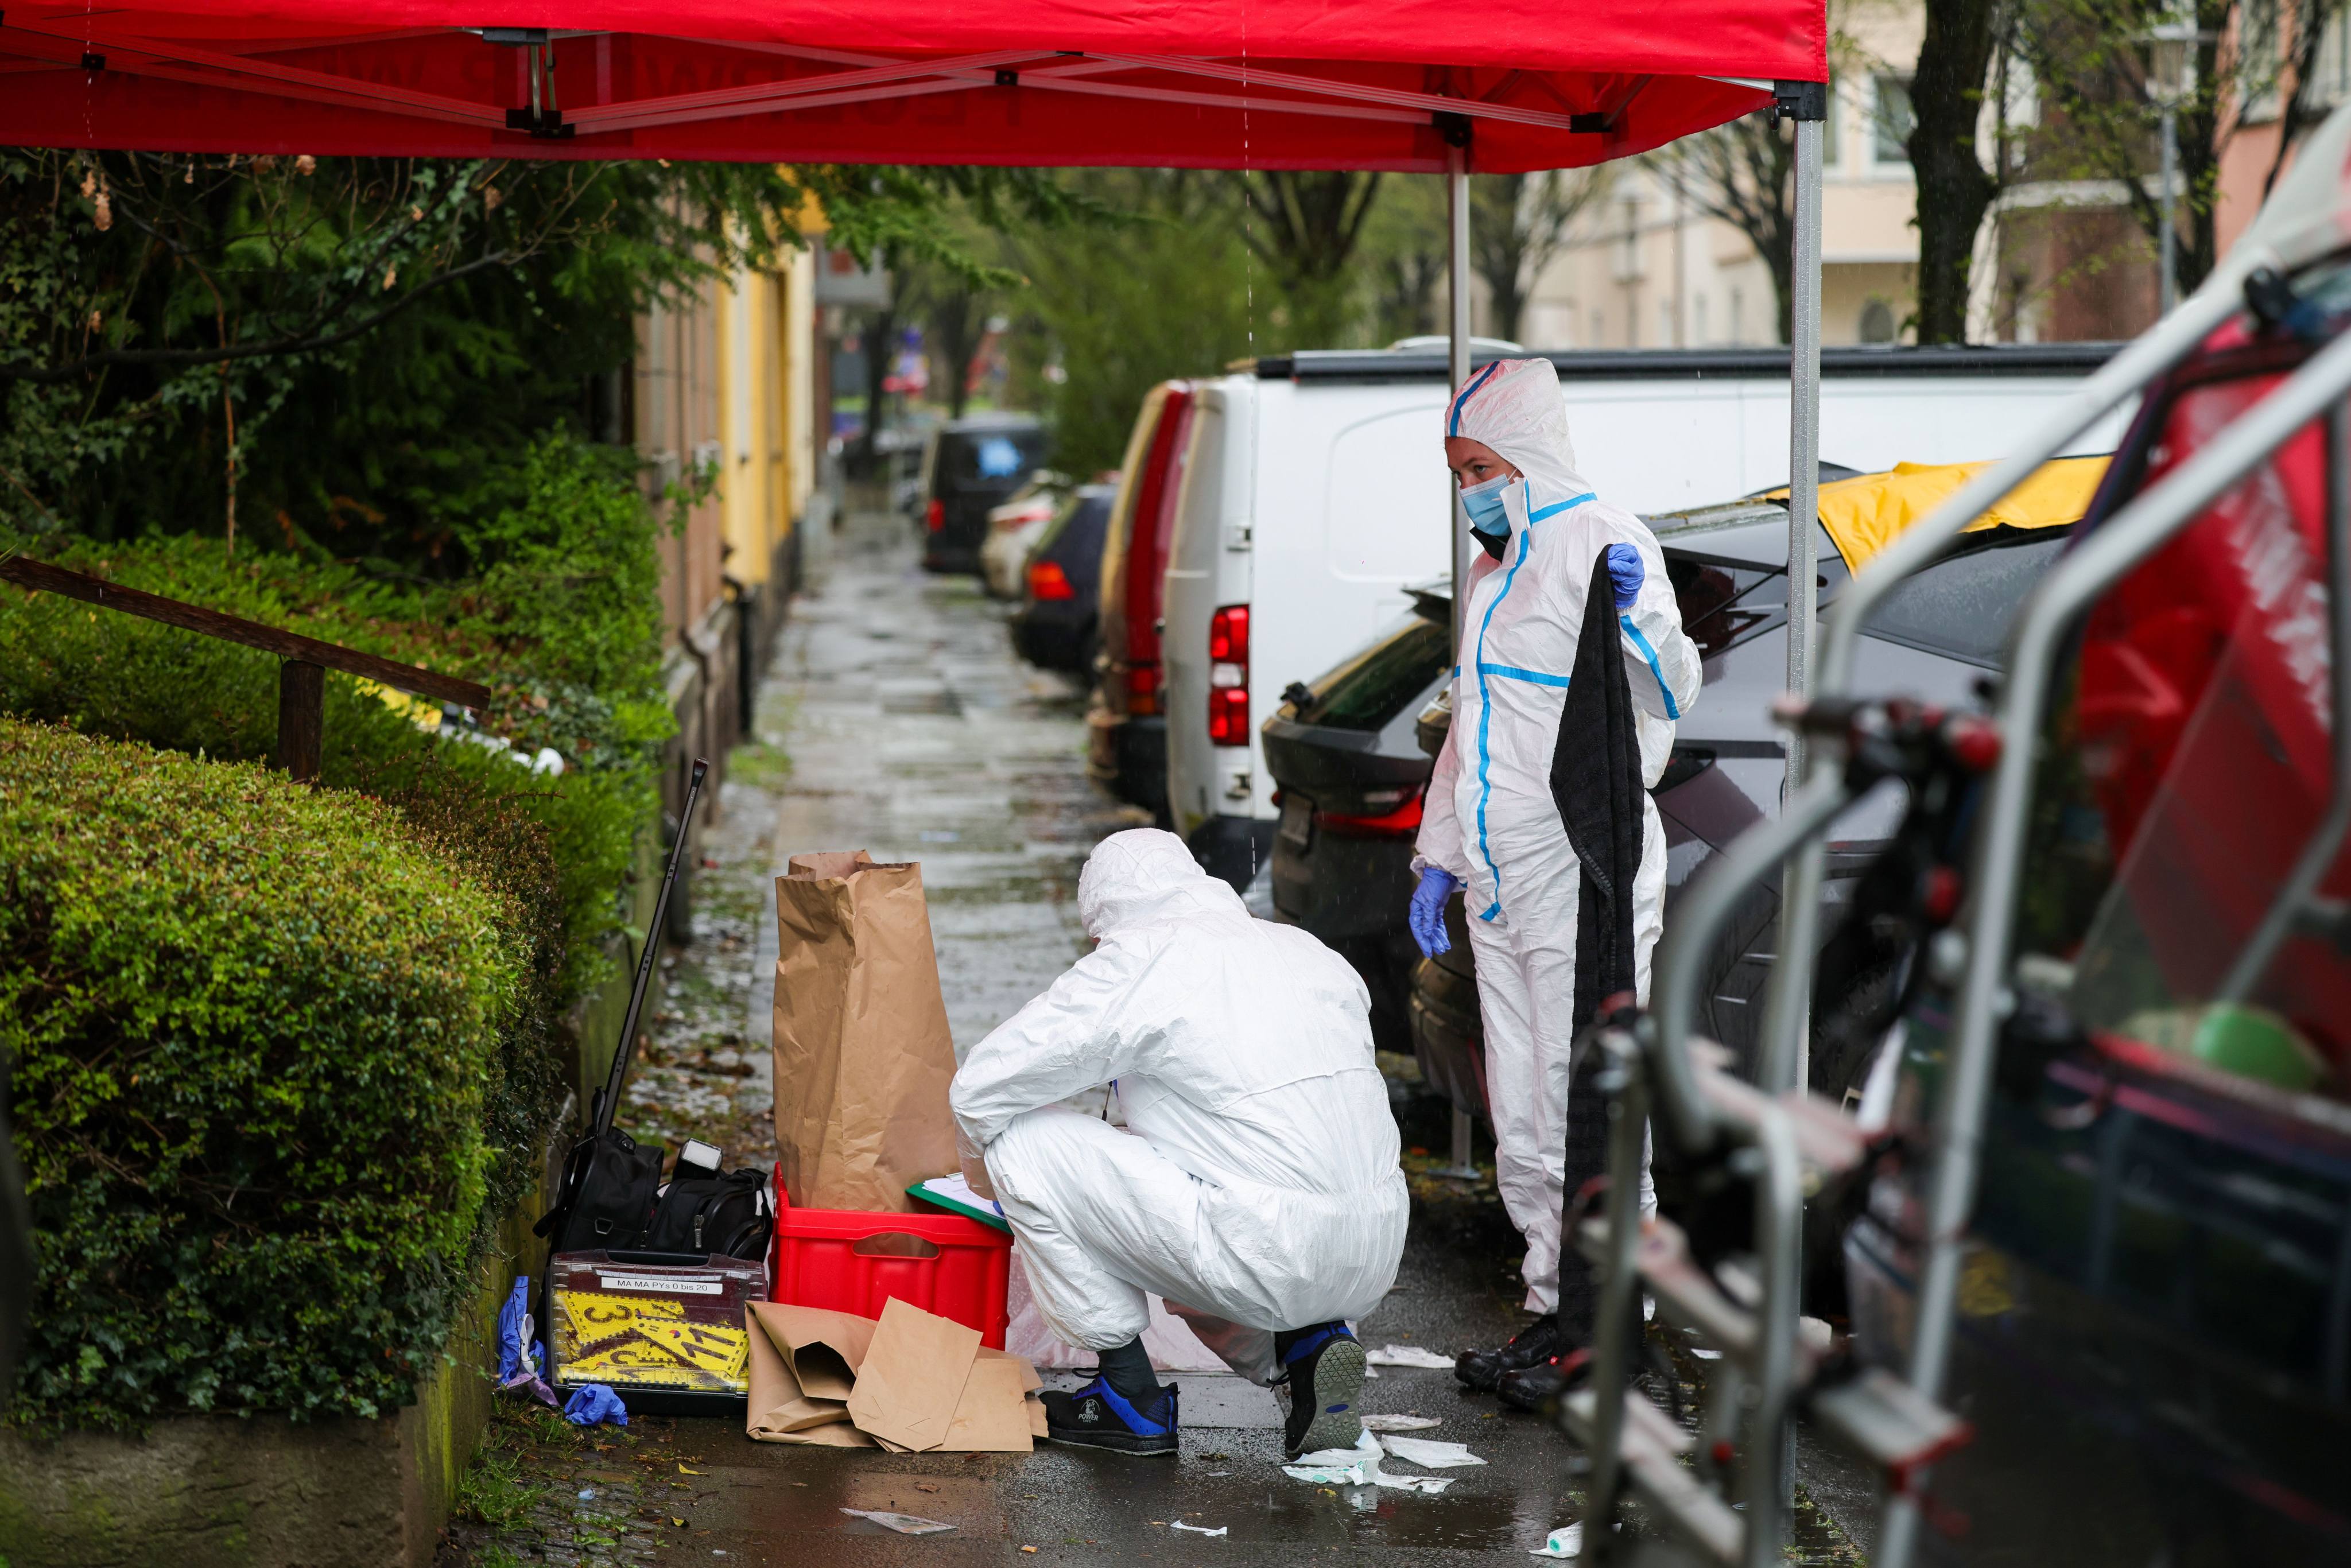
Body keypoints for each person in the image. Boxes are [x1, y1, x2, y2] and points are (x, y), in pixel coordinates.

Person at [1407, 359, 1701, 1411]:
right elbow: (1472, 729)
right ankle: (1554, 1309)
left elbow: (1674, 690)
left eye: (1480, 467)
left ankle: (1615, 1327)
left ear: (1527, 457)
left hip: (1582, 868)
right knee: (1522, 1114)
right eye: (1458, 472)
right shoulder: (1494, 573)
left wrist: (1636, 622)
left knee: (1591, 1106)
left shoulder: (1606, 542)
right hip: (1499, 876)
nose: (1470, 490)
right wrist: (1440, 853)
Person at [951, 828, 1409, 1458]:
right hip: (1374, 1246)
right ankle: (1306, 1349)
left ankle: (1126, 1396)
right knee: (1228, 1179)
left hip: (1263, 1244)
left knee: (1021, 1140)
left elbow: (982, 1085)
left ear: (1107, 918)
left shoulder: (1144, 957)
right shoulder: (1307, 950)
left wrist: (989, 1184)